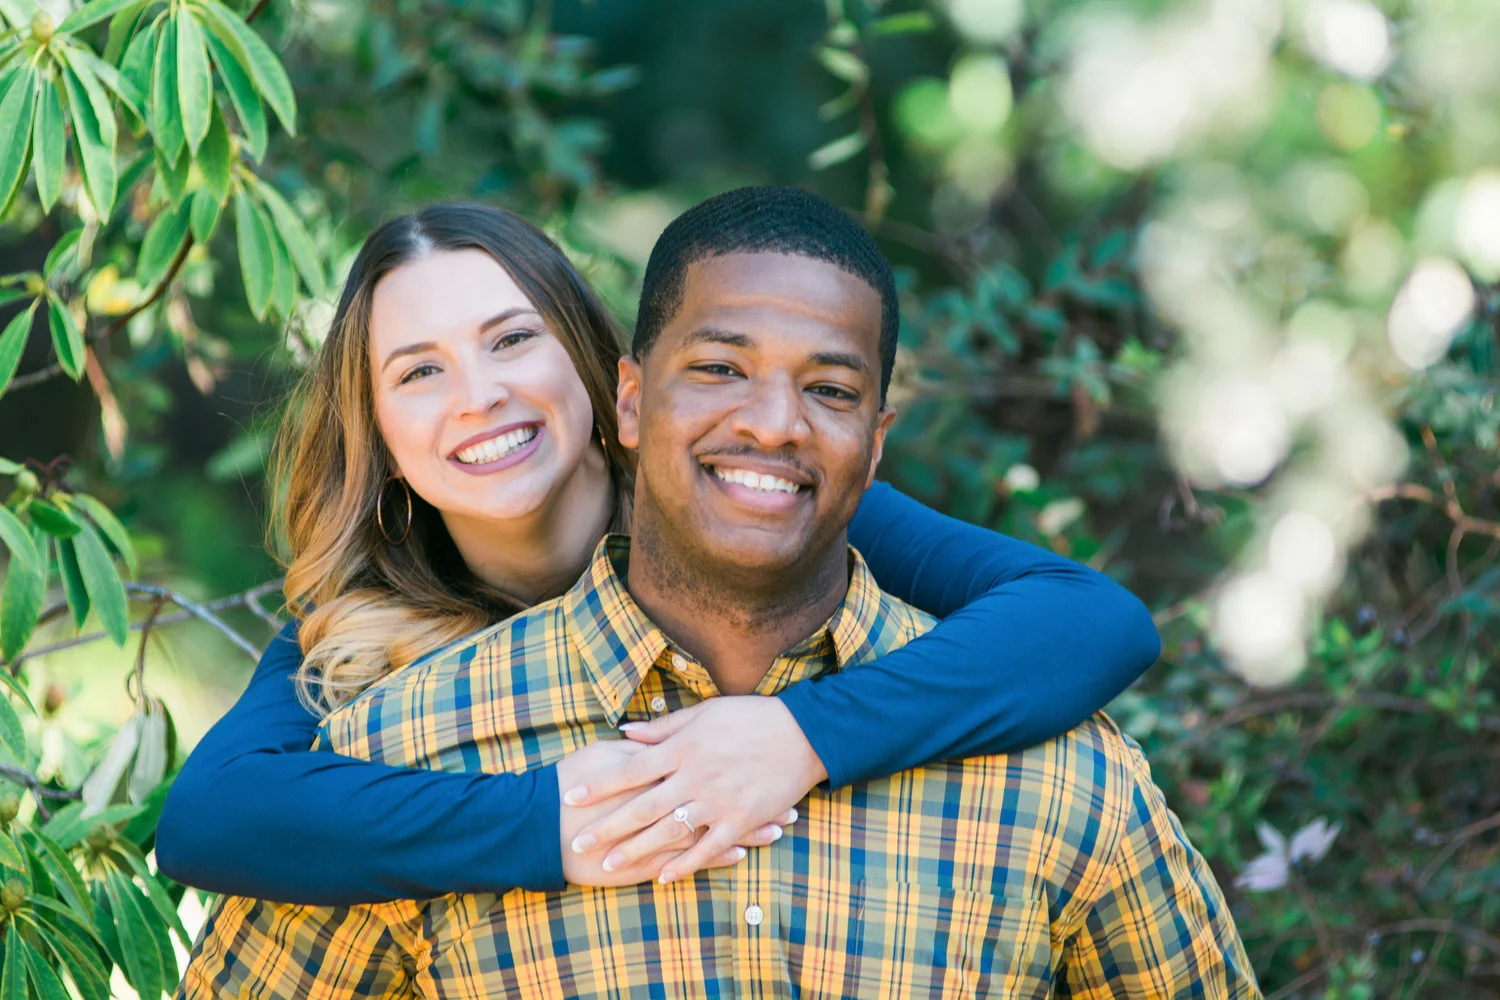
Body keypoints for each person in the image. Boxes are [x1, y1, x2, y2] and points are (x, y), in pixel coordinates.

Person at [178, 186, 1255, 999]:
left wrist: (800, 733)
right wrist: (552, 823)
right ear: (380, 435)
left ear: (606, 377)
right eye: (419, 370)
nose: (481, 395)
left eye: (511, 340)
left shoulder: (765, 493)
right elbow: (214, 816)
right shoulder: (371, 669)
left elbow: (1091, 620)